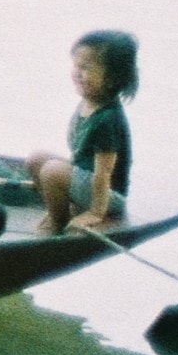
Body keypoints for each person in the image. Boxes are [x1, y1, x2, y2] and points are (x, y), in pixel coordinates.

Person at [30, 30, 139, 236]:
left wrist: (96, 213)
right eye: (76, 66)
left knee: (52, 171)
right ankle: (62, 209)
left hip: (108, 194)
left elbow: (103, 173)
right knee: (37, 159)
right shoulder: (88, 101)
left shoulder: (108, 119)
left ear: (112, 78)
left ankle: (58, 223)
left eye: (86, 68)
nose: (77, 73)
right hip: (87, 179)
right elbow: (80, 153)